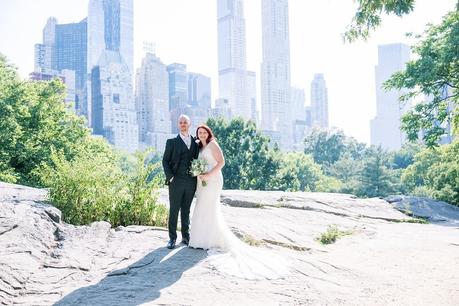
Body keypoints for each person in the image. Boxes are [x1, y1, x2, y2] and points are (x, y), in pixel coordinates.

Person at [189, 124, 289, 280]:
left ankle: (210, 240)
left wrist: (208, 175)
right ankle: (199, 238)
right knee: (201, 207)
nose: (201, 134)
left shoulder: (213, 144)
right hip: (202, 181)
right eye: (199, 132)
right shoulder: (199, 147)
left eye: (204, 132)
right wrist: (199, 173)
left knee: (209, 208)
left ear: (208, 133)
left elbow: (221, 162)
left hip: (213, 180)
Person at [162, 114, 199, 249]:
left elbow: (198, 159)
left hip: (191, 181)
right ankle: (172, 238)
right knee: (174, 210)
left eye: (185, 122)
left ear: (189, 124)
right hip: (176, 180)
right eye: (180, 122)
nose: (183, 124)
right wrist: (170, 177)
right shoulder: (171, 142)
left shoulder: (195, 143)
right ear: (178, 124)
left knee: (186, 210)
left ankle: (186, 237)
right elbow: (165, 160)